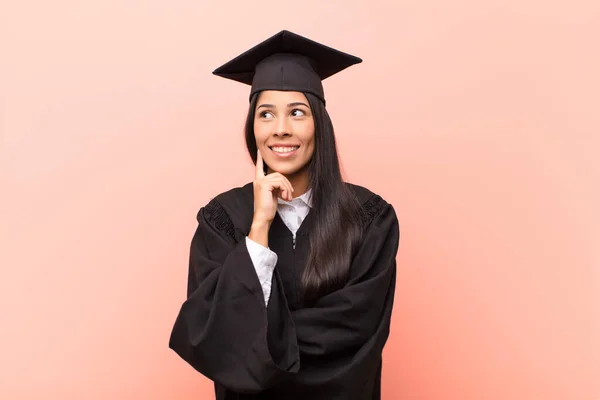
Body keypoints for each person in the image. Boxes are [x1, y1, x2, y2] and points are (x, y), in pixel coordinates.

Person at [169, 30, 400, 400]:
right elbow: (212, 334)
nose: (281, 129)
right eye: (266, 114)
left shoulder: (369, 219)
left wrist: (259, 336)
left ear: (318, 124)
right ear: (253, 127)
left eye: (297, 112)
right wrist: (259, 226)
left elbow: (356, 330)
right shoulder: (221, 220)